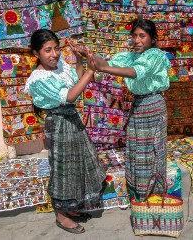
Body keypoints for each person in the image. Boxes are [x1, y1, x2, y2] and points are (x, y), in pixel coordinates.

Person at [69, 18, 171, 202]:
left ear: (153, 39)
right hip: (138, 105)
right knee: (137, 149)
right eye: (134, 36)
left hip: (153, 105)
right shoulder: (130, 56)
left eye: (142, 36)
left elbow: (136, 72)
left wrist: (107, 68)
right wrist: (86, 54)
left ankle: (153, 194)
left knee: (151, 149)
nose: (137, 40)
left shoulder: (156, 55)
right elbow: (103, 62)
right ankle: (141, 195)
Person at [24, 29, 106, 234]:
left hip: (72, 120)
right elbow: (70, 96)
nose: (54, 54)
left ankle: (72, 208)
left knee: (79, 163)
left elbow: (74, 83)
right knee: (63, 170)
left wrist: (79, 61)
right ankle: (61, 215)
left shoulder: (60, 66)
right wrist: (90, 71)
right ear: (36, 54)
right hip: (59, 124)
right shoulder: (38, 78)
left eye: (56, 48)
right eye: (47, 50)